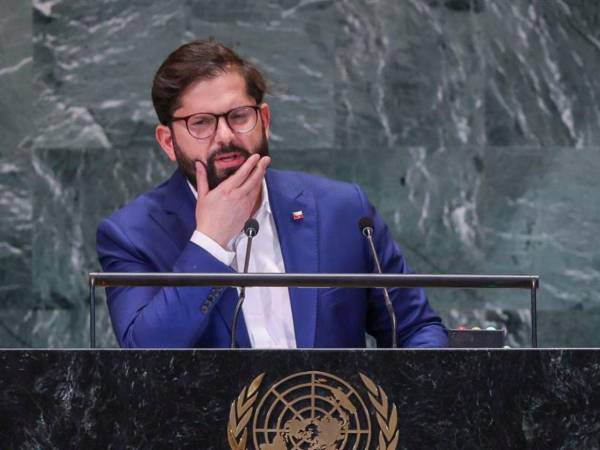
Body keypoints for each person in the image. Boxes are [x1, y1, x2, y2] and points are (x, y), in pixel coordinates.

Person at [96, 39, 448, 349]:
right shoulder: (131, 235)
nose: (225, 136)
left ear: (264, 119)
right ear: (168, 142)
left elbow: (416, 330)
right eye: (201, 122)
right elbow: (144, 356)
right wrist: (210, 242)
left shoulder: (340, 209)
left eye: (238, 116)